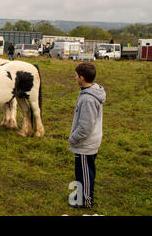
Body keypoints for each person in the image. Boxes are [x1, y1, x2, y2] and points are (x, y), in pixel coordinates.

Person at [69, 63, 106, 209]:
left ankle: (85, 201)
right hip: (88, 143)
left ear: (82, 78)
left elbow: (85, 127)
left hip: (85, 144)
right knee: (84, 172)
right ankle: (81, 195)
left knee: (85, 173)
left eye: (76, 75)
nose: (75, 78)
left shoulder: (88, 99)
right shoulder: (88, 92)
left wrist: (73, 139)